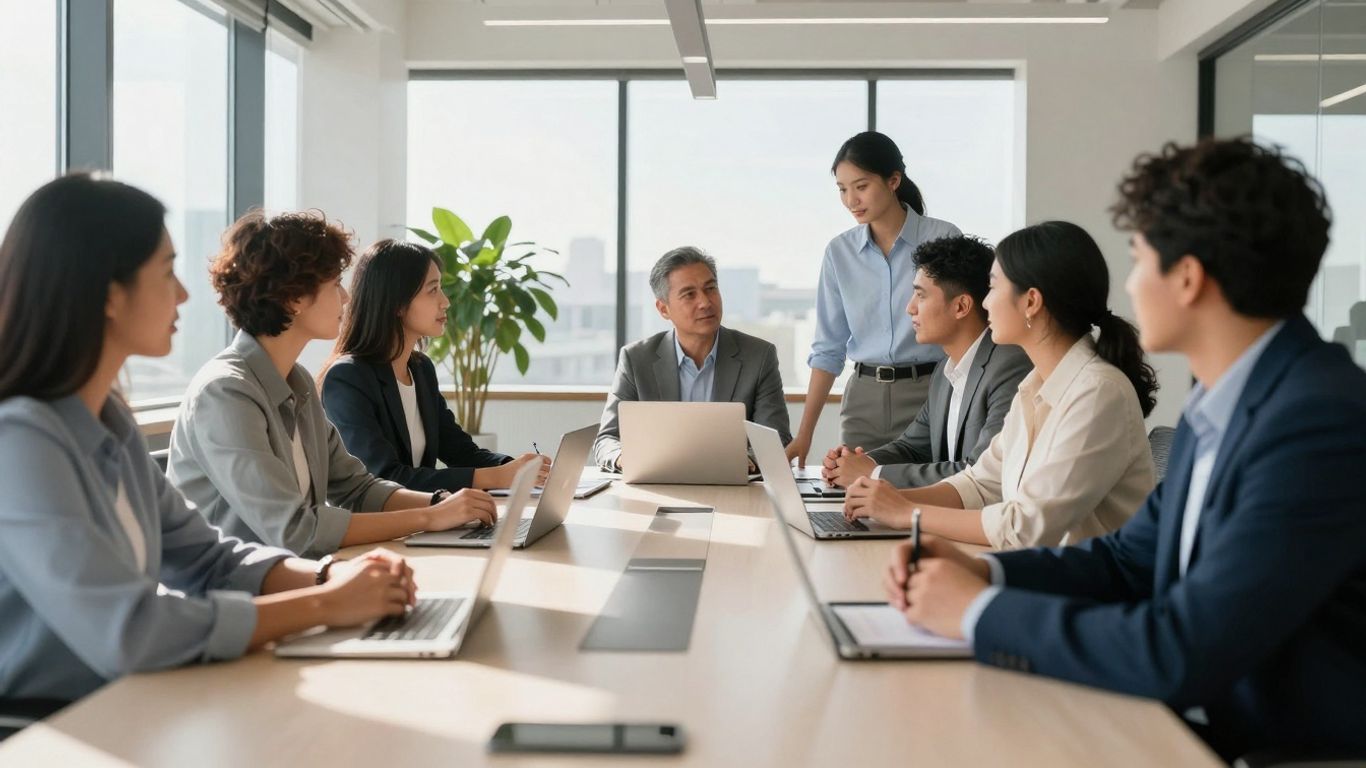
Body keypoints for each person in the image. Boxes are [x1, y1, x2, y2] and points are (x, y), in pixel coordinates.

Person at [883, 138, 1366, 759]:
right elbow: (1126, 562)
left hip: (1264, 748)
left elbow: (1182, 649)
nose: (1131, 287)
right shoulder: (1223, 403)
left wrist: (978, 612)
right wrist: (986, 571)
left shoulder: (1316, 423)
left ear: (1187, 278)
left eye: (1139, 261)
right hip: (1192, 720)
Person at [0, 175, 417, 704]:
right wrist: (328, 603)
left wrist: (330, 575)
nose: (183, 293)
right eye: (166, 271)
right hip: (54, 724)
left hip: (136, 698)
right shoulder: (21, 442)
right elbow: (129, 629)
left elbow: (209, 560)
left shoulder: (110, 421)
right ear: (109, 295)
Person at [169, 211, 497, 559]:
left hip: (298, 573)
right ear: (295, 297)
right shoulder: (225, 393)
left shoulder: (297, 382)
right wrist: (430, 517)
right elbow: (295, 530)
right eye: (335, 283)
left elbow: (357, 488)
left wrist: (442, 504)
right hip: (239, 588)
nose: (345, 297)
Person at [844, 221, 1158, 549]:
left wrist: (907, 513)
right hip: (1043, 571)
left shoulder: (1098, 393)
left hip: (1085, 580)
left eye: (993, 287)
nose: (985, 303)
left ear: (1031, 302)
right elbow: (979, 484)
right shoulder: (1033, 387)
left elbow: (1024, 528)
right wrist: (885, 500)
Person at [318, 239, 549, 493]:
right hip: (383, 518)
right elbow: (384, 477)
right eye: (433, 290)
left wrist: (519, 469)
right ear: (397, 302)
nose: (445, 301)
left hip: (425, 515)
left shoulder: (421, 369)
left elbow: (461, 452)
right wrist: (498, 477)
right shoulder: (348, 377)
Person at [787, 131, 962, 467]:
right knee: (855, 492)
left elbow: (965, 326)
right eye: (842, 189)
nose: (851, 200)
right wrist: (804, 434)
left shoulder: (943, 238)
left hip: (931, 390)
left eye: (861, 186)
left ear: (893, 180)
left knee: (924, 489)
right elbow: (828, 348)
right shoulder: (839, 252)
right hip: (863, 400)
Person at [820, 235, 1031, 489]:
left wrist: (873, 473)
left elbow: (980, 473)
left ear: (961, 306)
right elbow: (912, 447)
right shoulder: (945, 370)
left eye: (920, 295)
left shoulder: (1009, 367)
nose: (910, 308)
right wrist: (854, 464)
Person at [592, 246, 791, 472]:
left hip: (732, 483)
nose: (705, 302)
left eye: (710, 289)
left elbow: (777, 437)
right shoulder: (636, 360)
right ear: (663, 309)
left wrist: (744, 461)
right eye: (689, 294)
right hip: (658, 482)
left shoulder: (759, 356)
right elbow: (607, 439)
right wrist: (623, 457)